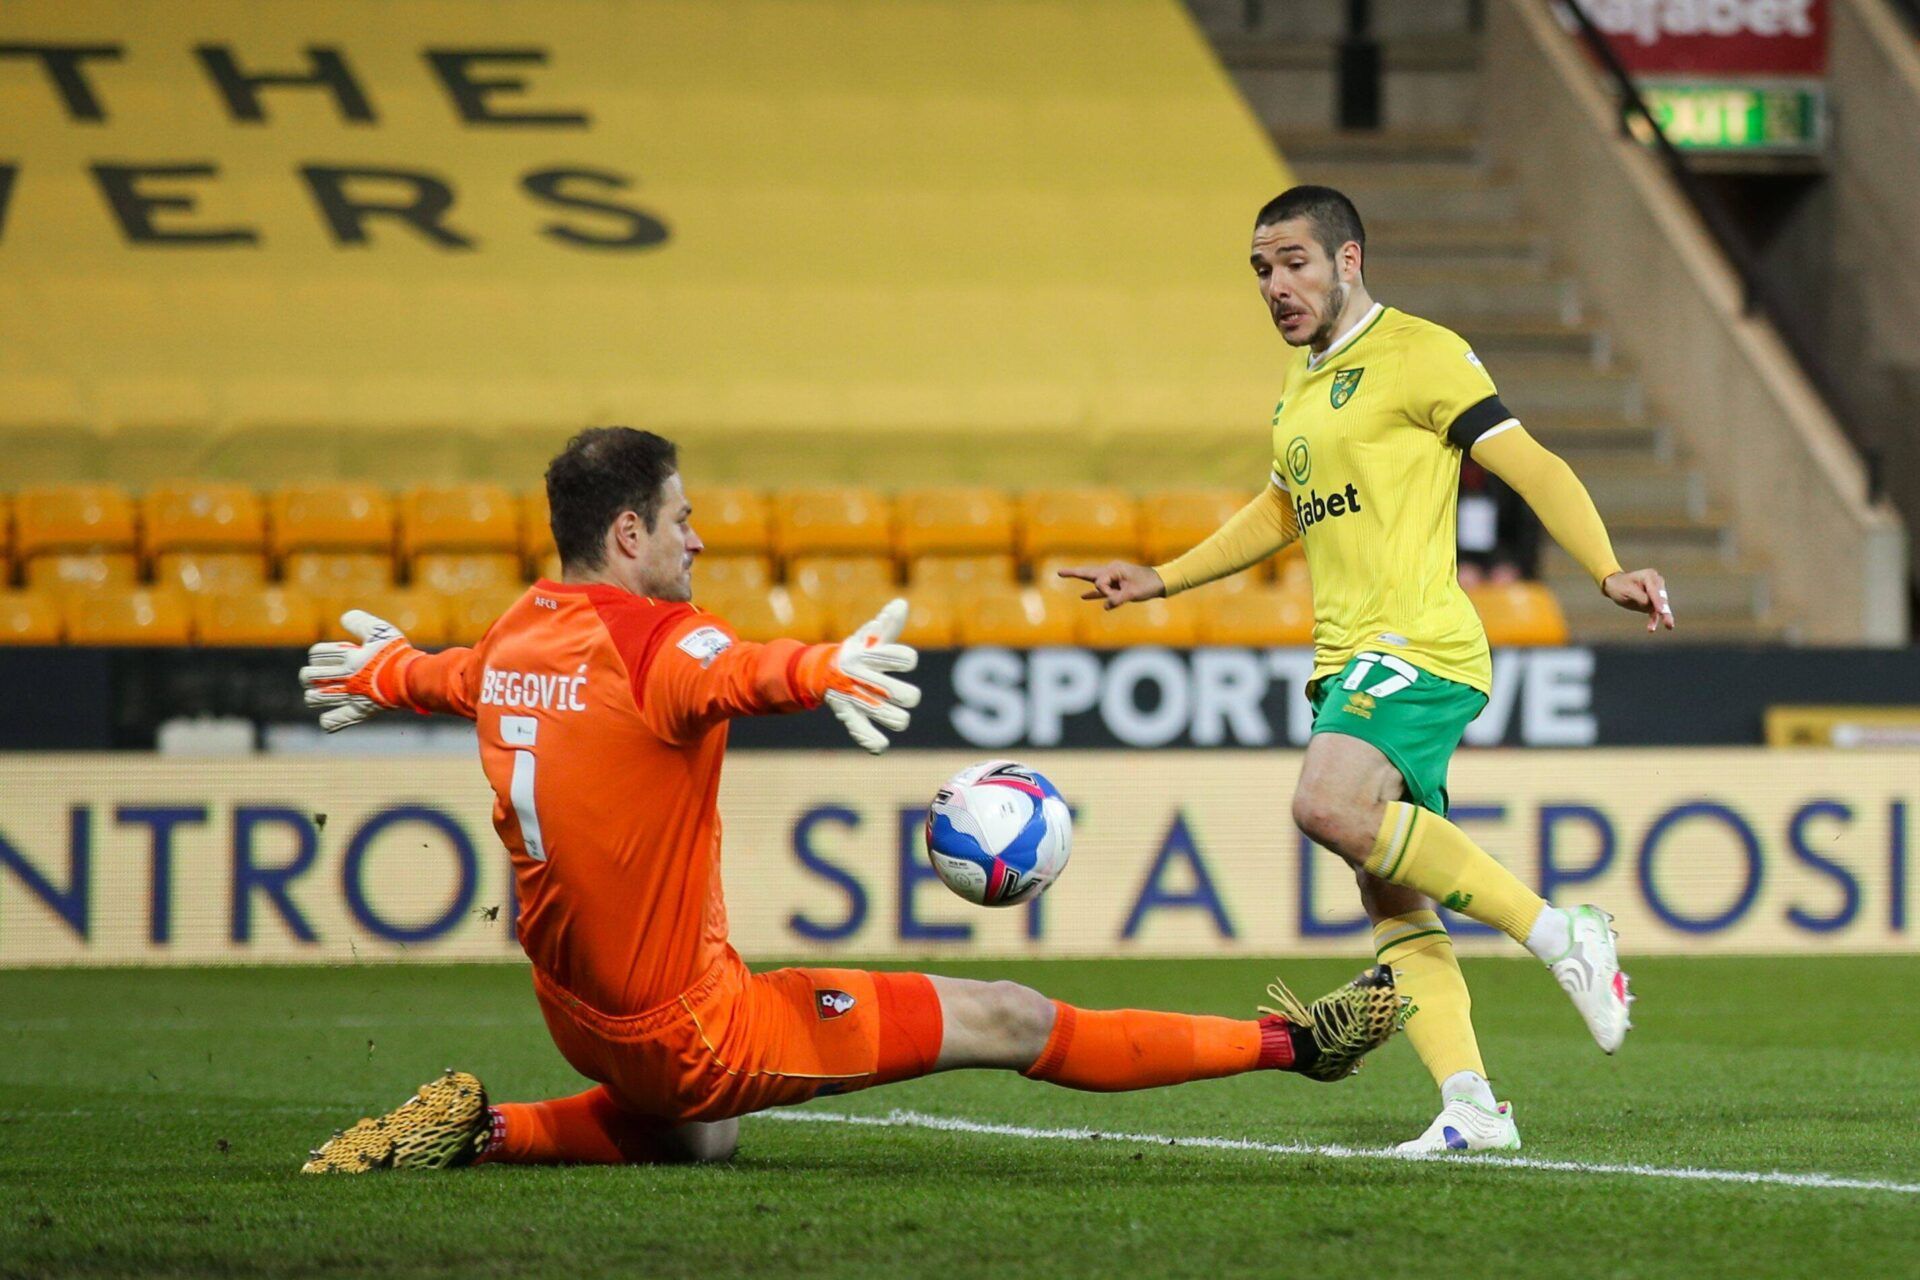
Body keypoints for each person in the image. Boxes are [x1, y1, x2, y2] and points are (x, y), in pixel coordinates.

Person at [298, 426, 1402, 1173]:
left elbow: (443, 677)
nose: (699, 536)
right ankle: (1295, 1044)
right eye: (680, 517)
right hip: (689, 1029)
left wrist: (379, 671)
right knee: (1011, 1014)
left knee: (700, 1143)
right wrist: (824, 667)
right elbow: (739, 670)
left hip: (570, 1010)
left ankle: (483, 1130)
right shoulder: (663, 643)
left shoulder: (517, 633)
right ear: (627, 533)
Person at [1060, 186, 1673, 1154]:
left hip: (1419, 642)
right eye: (1260, 269)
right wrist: (1161, 579)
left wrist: (1607, 566)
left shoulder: (1421, 352)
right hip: (1348, 659)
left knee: (1325, 804)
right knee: (1391, 893)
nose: (1276, 285)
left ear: (1349, 260)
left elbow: (1533, 463)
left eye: (1295, 261)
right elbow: (1279, 511)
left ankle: (1563, 932)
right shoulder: (1301, 389)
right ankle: (1472, 1105)